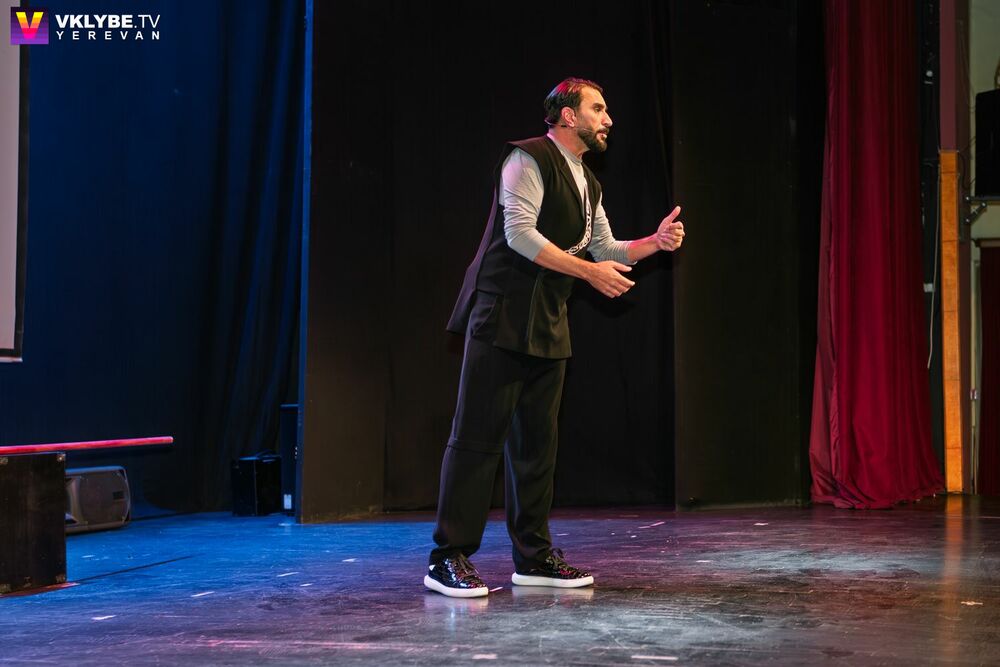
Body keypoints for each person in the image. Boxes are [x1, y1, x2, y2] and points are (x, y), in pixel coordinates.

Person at [425, 77, 685, 598]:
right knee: (477, 441)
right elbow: (520, 235)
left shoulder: (588, 180)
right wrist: (588, 273)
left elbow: (604, 248)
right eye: (598, 108)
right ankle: (447, 557)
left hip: (548, 322)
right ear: (568, 115)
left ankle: (534, 557)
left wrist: (654, 243)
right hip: (501, 316)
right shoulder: (527, 159)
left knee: (536, 449)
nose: (608, 119)